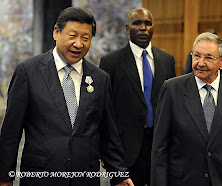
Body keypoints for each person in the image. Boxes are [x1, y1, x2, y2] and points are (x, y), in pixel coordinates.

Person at [0, 7, 133, 186]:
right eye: (72, 36)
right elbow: (11, 132)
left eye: (85, 38)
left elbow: (108, 133)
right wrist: (4, 177)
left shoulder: (100, 79)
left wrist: (119, 174)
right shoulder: (28, 72)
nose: (78, 44)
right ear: (56, 32)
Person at [151, 32, 222, 186]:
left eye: (208, 57)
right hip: (183, 181)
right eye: (196, 56)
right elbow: (160, 147)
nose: (200, 63)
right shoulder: (172, 89)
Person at [99, 8, 176, 186]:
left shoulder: (167, 60)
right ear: (127, 28)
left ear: (153, 27)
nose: (143, 28)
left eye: (148, 23)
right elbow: (104, 110)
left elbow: (173, 105)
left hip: (159, 148)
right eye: (137, 23)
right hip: (125, 151)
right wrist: (105, 152)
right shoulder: (111, 62)